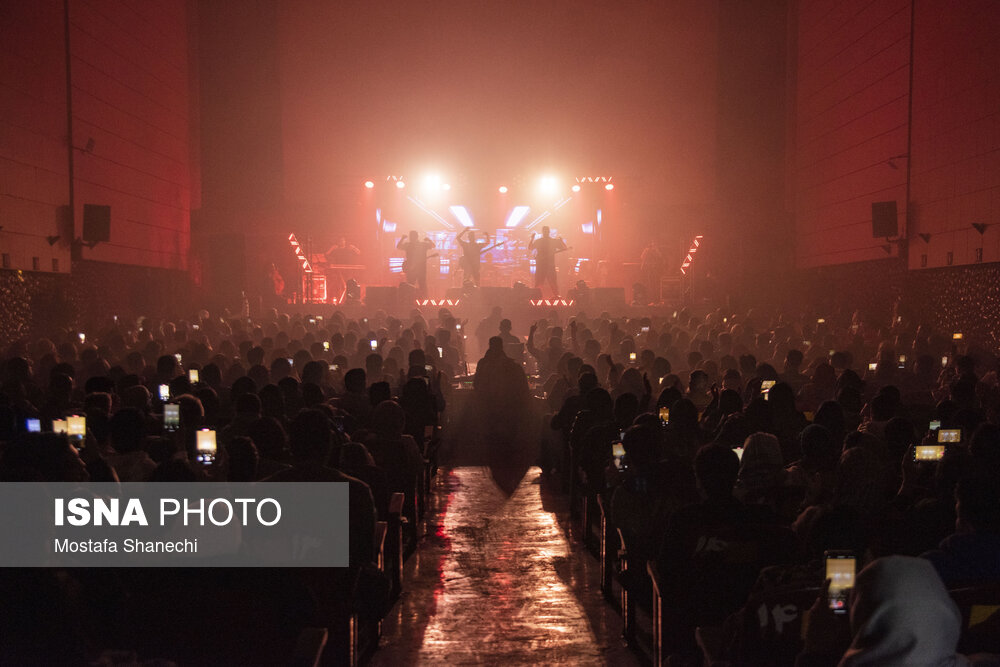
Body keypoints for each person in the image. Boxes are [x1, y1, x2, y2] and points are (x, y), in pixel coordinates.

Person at [529, 226, 567, 297]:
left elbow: (530, 247)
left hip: (543, 265)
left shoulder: (540, 241)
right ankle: (556, 296)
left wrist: (532, 239)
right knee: (551, 283)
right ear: (548, 232)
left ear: (543, 232)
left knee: (540, 282)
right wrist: (561, 241)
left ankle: (537, 297)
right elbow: (565, 248)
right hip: (548, 265)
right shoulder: (553, 241)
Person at [324, 236, 361, 302]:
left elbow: (359, 253)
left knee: (349, 284)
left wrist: (354, 248)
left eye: (343, 240)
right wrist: (332, 249)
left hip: (348, 269)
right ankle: (340, 299)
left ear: (345, 241)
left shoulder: (348, 249)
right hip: (338, 269)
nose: (342, 242)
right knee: (340, 284)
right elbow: (326, 254)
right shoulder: (336, 249)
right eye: (340, 241)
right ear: (338, 242)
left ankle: (349, 298)